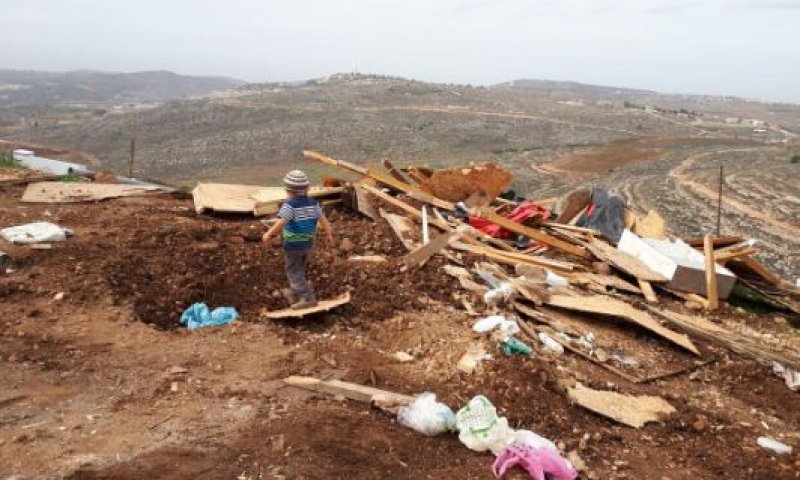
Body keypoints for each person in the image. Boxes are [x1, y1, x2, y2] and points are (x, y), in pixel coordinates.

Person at [262, 170, 334, 309]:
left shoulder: (290, 205)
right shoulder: (313, 204)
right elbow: (323, 220)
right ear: (306, 188)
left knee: (293, 271)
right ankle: (296, 292)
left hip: (293, 245)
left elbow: (281, 222)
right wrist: (329, 235)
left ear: (288, 190)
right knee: (300, 269)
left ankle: (307, 297)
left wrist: (269, 234)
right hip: (308, 244)